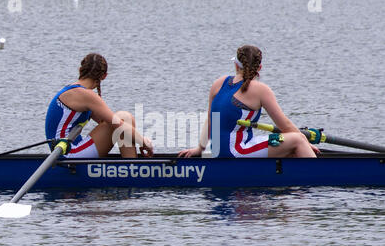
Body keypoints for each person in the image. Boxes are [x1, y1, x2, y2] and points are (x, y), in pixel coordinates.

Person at [178, 45, 319, 158]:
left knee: (289, 145)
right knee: (297, 139)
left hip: (217, 152)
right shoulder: (260, 89)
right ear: (260, 68)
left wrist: (199, 149)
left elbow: (210, 120)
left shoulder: (219, 83)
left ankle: (290, 187)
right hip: (237, 151)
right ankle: (319, 178)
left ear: (236, 65)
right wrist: (304, 141)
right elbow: (285, 125)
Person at [45, 53, 153, 158]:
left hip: (68, 150)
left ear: (80, 70)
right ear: (104, 76)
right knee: (123, 118)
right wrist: (143, 141)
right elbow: (117, 124)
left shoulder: (76, 91)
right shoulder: (85, 95)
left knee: (124, 120)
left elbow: (106, 124)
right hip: (67, 153)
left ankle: (130, 166)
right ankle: (132, 168)